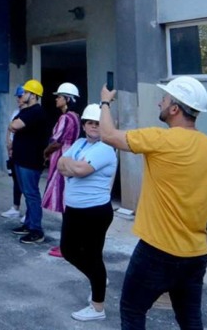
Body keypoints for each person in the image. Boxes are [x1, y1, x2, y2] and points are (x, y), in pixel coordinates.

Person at [97, 76, 207, 329]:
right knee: (190, 319)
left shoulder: (159, 139)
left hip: (156, 252)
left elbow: (107, 135)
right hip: (195, 254)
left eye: (164, 99)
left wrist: (105, 102)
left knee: (132, 310)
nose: (159, 102)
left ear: (174, 108)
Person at [58, 103, 118, 322]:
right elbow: (60, 165)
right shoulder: (81, 143)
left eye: (98, 123)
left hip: (94, 212)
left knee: (91, 256)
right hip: (74, 210)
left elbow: (81, 170)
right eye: (90, 123)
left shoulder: (105, 147)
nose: (94, 127)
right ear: (84, 125)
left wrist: (72, 166)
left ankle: (97, 307)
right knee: (68, 250)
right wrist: (72, 165)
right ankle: (98, 280)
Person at [9, 79, 50, 244]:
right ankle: (28, 224)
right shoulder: (26, 110)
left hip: (30, 161)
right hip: (21, 159)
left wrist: (15, 125)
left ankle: (36, 229)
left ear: (33, 95)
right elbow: (12, 125)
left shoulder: (36, 112)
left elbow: (14, 125)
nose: (22, 95)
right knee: (27, 193)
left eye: (25, 93)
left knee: (32, 194)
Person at [43, 82, 81, 257]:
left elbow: (57, 141)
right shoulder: (76, 117)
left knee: (65, 205)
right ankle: (70, 244)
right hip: (70, 158)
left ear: (67, 99)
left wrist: (45, 152)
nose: (56, 99)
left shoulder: (65, 118)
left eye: (59, 96)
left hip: (61, 160)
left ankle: (67, 246)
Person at [1, 86, 25, 220]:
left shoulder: (29, 113)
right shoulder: (15, 112)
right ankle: (15, 207)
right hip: (13, 150)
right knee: (16, 180)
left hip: (23, 152)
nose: (18, 99)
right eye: (17, 97)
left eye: (20, 96)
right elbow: (9, 129)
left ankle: (29, 212)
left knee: (26, 182)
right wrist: (8, 146)